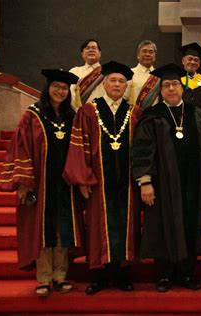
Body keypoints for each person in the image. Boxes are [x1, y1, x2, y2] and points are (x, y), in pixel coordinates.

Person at [0, 69, 82, 296]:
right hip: (41, 184)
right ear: (48, 89)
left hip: (66, 184)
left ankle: (60, 276)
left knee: (63, 229)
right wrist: (24, 182)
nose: (60, 91)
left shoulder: (72, 117)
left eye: (64, 88)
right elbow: (21, 148)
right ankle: (44, 278)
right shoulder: (32, 115)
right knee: (43, 230)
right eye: (56, 87)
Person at [63, 61, 142, 295]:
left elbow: (142, 148)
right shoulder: (89, 110)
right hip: (98, 181)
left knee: (127, 225)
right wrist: (83, 179)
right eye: (113, 80)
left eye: (121, 82)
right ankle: (99, 275)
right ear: (104, 83)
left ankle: (122, 274)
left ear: (127, 86)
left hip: (127, 183)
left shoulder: (134, 112)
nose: (117, 85)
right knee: (98, 225)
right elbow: (79, 146)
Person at [131, 63, 201, 293]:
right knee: (163, 226)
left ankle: (187, 273)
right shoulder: (152, 116)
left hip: (193, 183)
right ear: (160, 90)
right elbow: (142, 150)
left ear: (182, 87)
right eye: (166, 86)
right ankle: (165, 274)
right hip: (163, 185)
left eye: (175, 84)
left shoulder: (197, 114)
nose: (171, 89)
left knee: (189, 224)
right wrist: (145, 181)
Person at [69, 39, 105, 110]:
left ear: (100, 53)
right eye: (87, 48)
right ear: (82, 54)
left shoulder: (107, 72)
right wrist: (78, 111)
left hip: (101, 113)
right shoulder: (74, 71)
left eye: (94, 48)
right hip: (78, 112)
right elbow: (70, 94)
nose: (91, 50)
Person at [127, 40, 160, 110]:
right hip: (134, 117)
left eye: (151, 52)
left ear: (155, 56)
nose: (147, 54)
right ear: (138, 55)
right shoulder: (129, 73)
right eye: (144, 51)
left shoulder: (160, 75)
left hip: (154, 117)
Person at [180, 42, 201, 111]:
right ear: (183, 61)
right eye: (190, 59)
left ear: (199, 63)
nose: (193, 62)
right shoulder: (177, 80)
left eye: (196, 60)